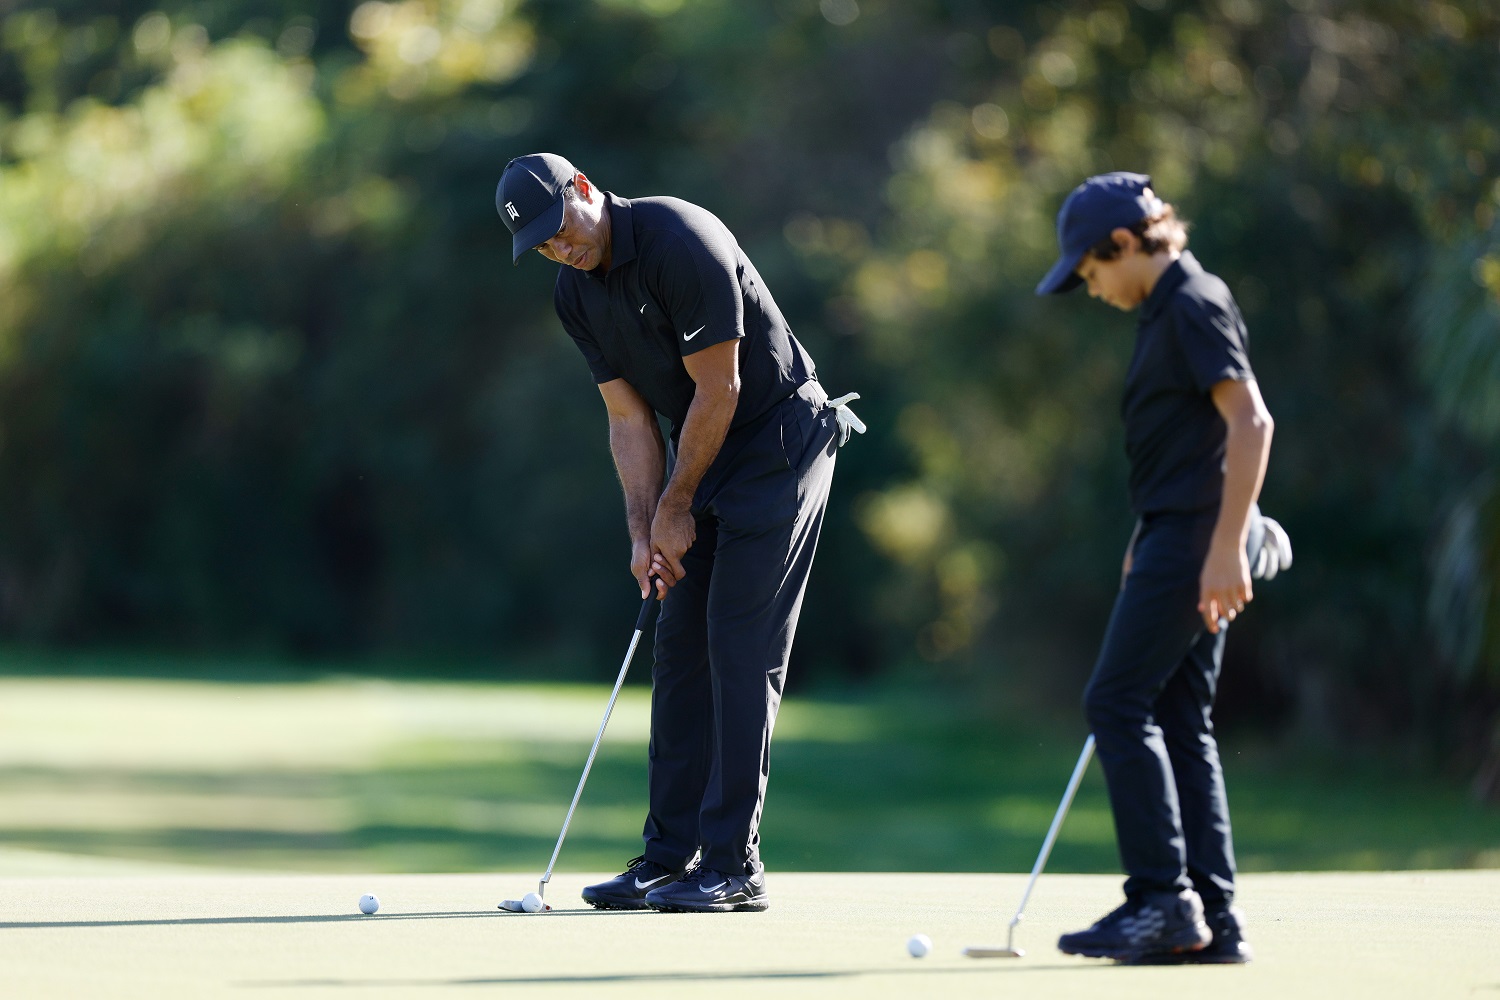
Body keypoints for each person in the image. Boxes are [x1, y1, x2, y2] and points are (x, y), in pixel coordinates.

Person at [494, 153, 863, 913]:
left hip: (778, 440)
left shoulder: (678, 238)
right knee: (678, 643)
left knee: (738, 645)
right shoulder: (575, 295)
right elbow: (629, 420)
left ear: (585, 191)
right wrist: (644, 528)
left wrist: (678, 504)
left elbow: (719, 386)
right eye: (541, 246)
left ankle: (734, 865)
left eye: (559, 228)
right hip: (703, 449)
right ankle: (669, 856)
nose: (559, 249)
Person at [1035, 172, 1291, 964]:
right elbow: (1187, 447)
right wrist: (1147, 535)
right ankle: (1213, 915)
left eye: (1090, 271)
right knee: (1179, 718)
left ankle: (1159, 901)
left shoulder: (1191, 301)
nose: (1091, 287)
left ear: (1123, 245)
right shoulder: (1167, 308)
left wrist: (1221, 548)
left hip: (1197, 541)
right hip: (1174, 536)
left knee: (1115, 702)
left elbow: (1250, 422)